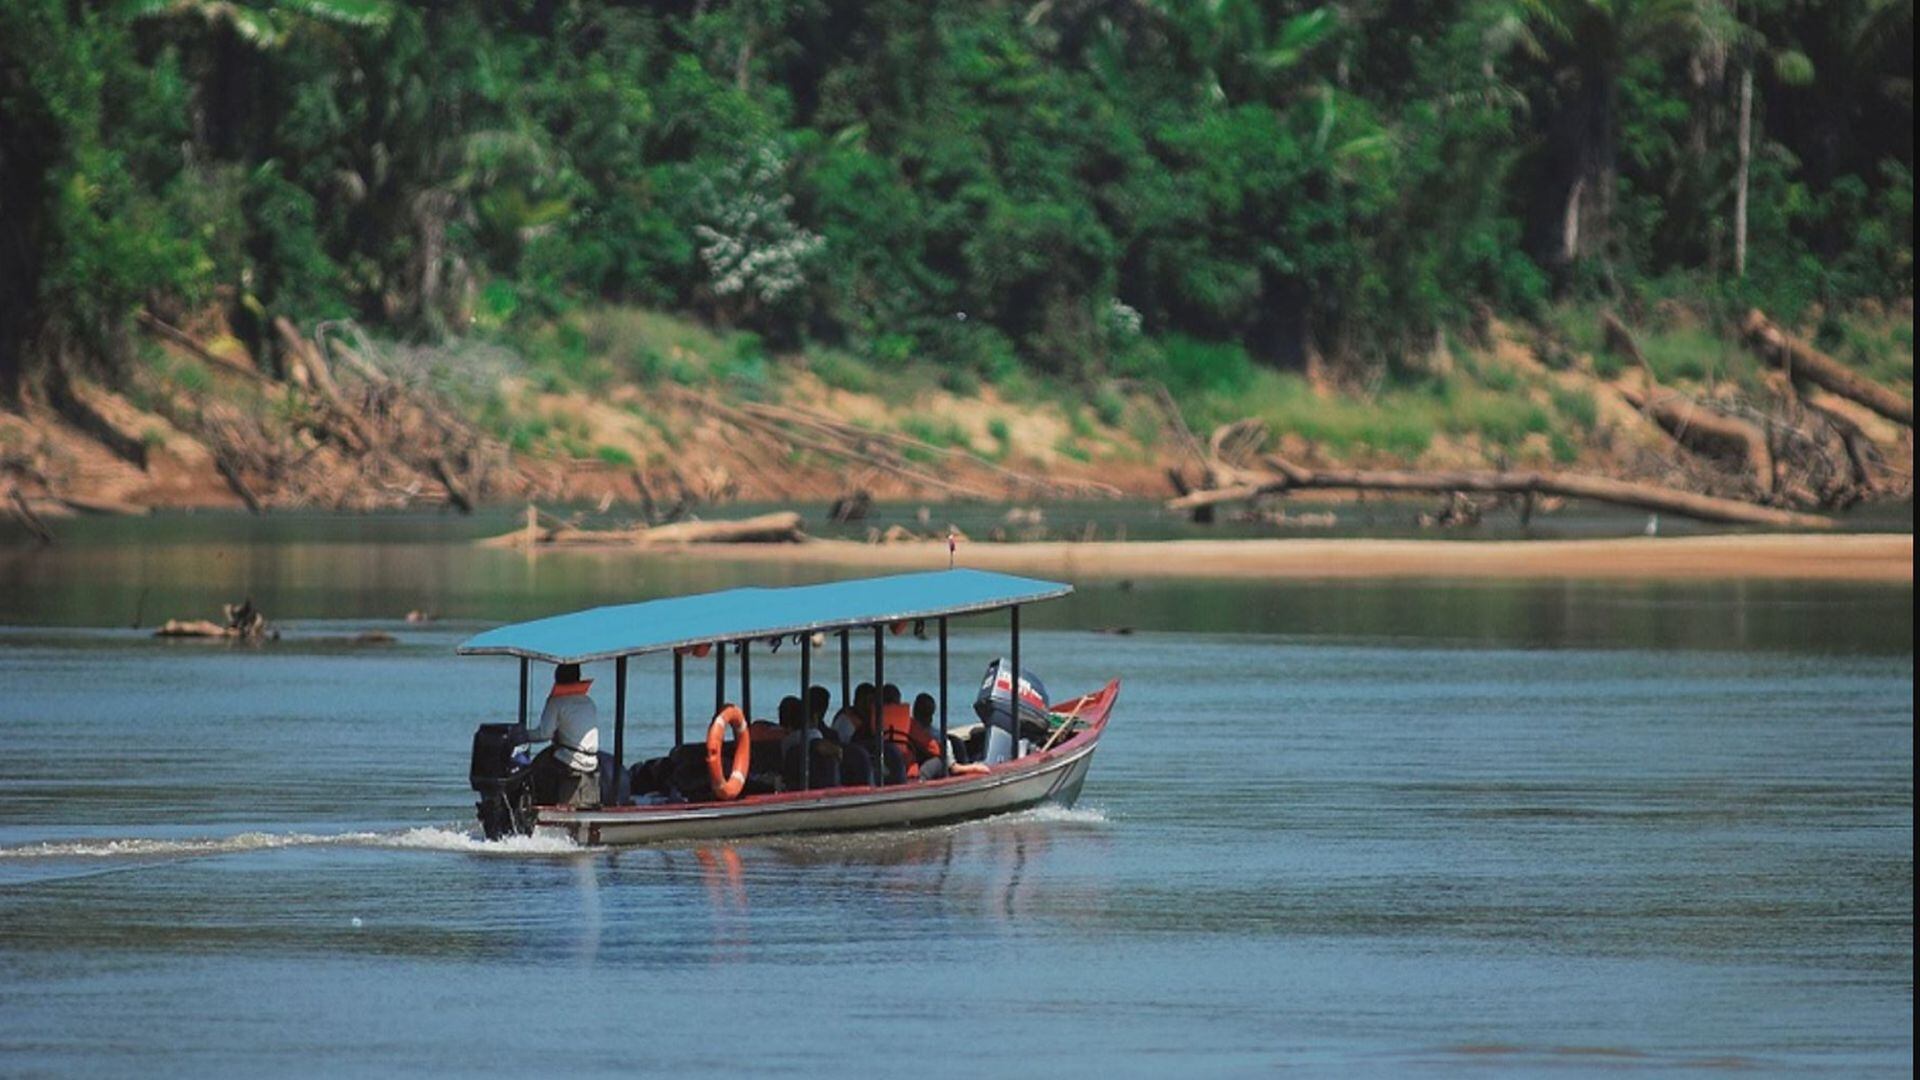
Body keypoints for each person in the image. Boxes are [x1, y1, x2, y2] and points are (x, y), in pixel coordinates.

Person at [525, 663, 601, 809]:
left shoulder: (556, 702)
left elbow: (544, 734)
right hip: (592, 760)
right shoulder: (589, 702)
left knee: (537, 765)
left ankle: (539, 804)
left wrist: (523, 734)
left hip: (571, 760)